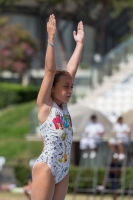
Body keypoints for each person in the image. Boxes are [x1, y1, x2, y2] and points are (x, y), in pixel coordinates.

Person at [31, 14, 84, 200]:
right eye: (65, 87)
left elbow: (70, 71)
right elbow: (50, 71)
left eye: (72, 87)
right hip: (47, 166)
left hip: (63, 169)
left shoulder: (64, 108)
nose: (70, 90)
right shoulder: (46, 105)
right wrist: (51, 39)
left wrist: (79, 45)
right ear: (52, 88)